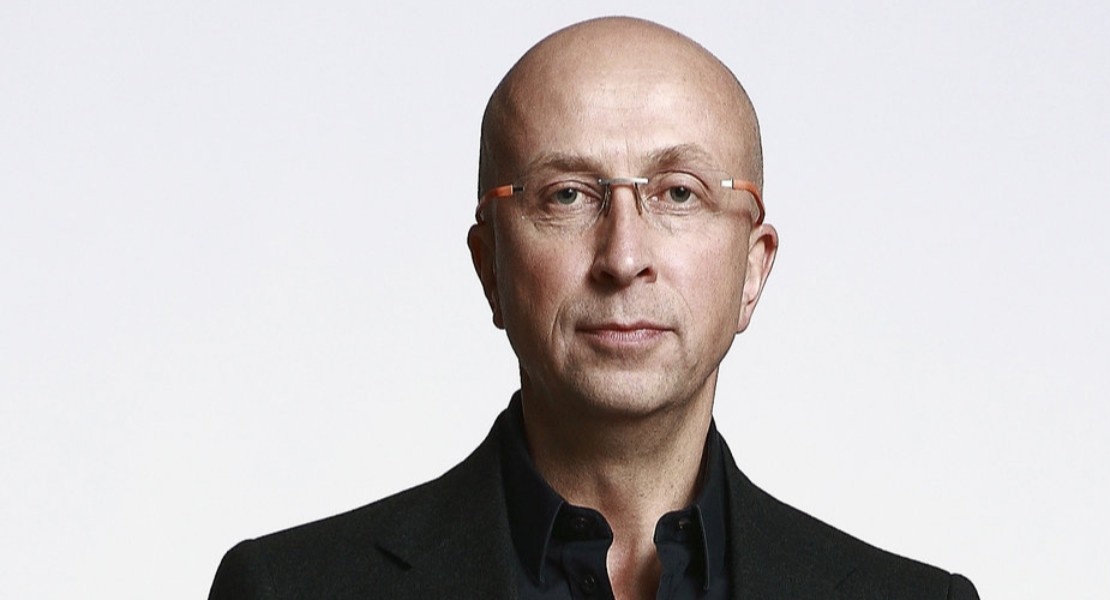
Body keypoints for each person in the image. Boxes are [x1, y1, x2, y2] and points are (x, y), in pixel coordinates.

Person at [208, 16, 979, 599]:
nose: (623, 256)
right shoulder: (284, 590)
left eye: (679, 193)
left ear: (753, 269)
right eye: (568, 195)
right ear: (490, 266)